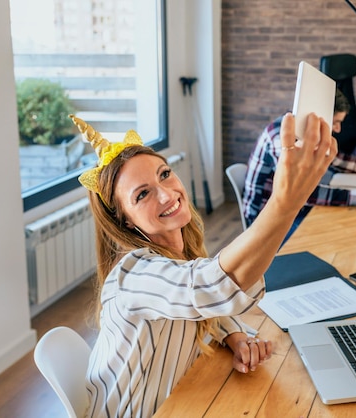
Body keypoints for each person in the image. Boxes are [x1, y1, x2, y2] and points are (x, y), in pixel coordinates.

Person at [69, 112, 337, 417]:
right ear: (125, 221)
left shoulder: (179, 258)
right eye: (143, 194)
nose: (167, 193)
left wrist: (234, 334)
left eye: (165, 174)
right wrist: (285, 202)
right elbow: (213, 286)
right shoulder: (135, 276)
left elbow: (197, 296)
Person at [242, 89, 356, 236]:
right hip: (264, 223)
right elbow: (304, 193)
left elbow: (339, 161)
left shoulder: (301, 129)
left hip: (290, 211)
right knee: (344, 231)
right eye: (335, 122)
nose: (338, 129)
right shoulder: (281, 139)